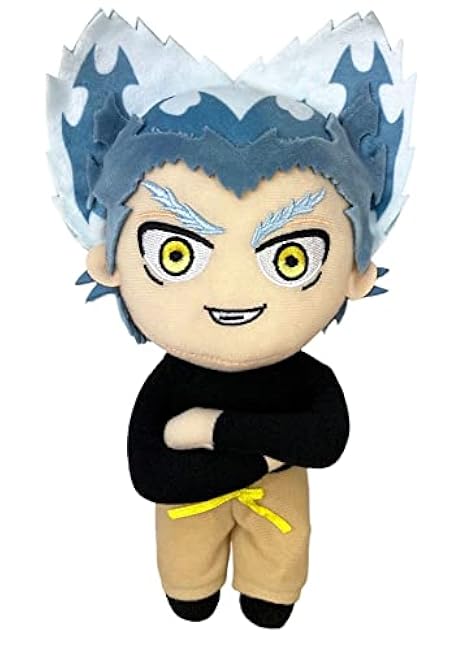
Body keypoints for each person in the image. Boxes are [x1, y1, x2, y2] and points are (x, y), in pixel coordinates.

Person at [48, 10, 415, 628]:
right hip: (197, 521)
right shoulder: (172, 385)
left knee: (273, 602)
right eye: (176, 253)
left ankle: (267, 593)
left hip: (266, 527)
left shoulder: (299, 381)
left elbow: (327, 442)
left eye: (291, 258)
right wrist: (264, 455)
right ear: (109, 262)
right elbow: (150, 472)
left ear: (357, 272)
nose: (233, 292)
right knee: (187, 599)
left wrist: (212, 429)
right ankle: (193, 589)